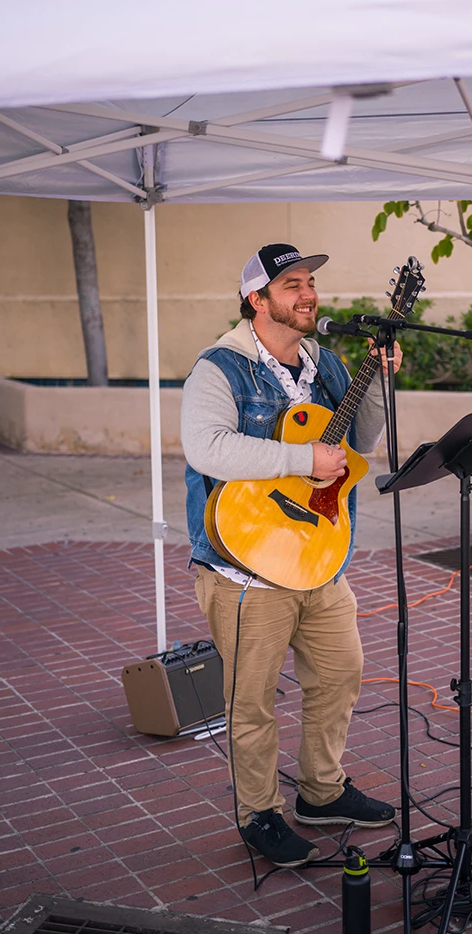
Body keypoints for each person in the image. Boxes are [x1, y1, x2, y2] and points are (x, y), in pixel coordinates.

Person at [181, 243, 402, 868]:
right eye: (291, 284)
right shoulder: (220, 368)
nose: (307, 293)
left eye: (310, 281)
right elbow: (208, 448)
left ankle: (321, 793)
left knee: (341, 674)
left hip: (318, 554)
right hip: (245, 567)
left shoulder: (328, 365)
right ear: (257, 299)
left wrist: (379, 382)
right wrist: (302, 459)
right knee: (251, 702)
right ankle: (259, 814)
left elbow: (357, 443)